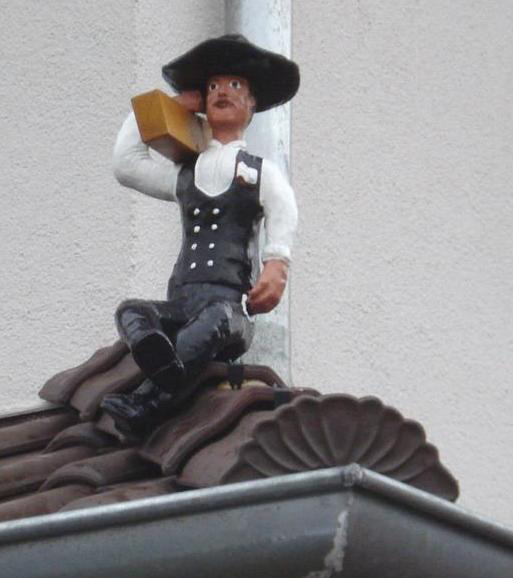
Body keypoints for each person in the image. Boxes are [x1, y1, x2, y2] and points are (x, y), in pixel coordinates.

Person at [101, 34, 299, 435]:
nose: (222, 92)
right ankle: (167, 367)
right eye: (213, 86)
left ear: (252, 102)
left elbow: (284, 208)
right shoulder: (185, 175)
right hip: (183, 302)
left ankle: (148, 400)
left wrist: (276, 261)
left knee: (214, 322)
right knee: (131, 312)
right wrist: (168, 107)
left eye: (234, 85)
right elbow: (126, 164)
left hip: (230, 309)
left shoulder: (260, 172)